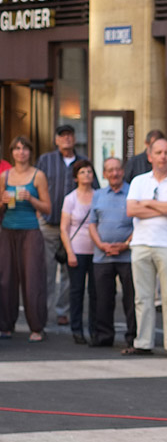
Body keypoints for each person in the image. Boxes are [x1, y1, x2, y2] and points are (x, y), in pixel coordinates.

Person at [125, 137, 167, 358]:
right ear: (150, 156)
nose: (163, 156)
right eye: (159, 152)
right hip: (141, 243)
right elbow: (131, 210)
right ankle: (143, 342)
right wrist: (165, 207)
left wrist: (148, 203)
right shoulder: (138, 181)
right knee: (142, 296)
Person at [0, 135, 51, 341]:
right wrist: (2, 201)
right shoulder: (4, 176)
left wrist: (32, 198)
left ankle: (37, 327)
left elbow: (48, 208)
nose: (21, 152)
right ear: (11, 153)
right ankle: (6, 325)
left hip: (30, 230)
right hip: (7, 231)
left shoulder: (38, 176)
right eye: (17, 148)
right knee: (6, 280)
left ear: (30, 152)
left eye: (25, 148)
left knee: (33, 279)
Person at [87, 157, 136, 348]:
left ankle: (133, 337)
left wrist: (125, 244)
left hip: (128, 254)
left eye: (117, 169)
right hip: (102, 255)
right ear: (105, 174)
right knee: (103, 298)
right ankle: (103, 336)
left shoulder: (133, 191)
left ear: (122, 171)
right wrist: (101, 245)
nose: (114, 173)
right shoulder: (98, 194)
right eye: (110, 170)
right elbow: (92, 224)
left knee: (131, 299)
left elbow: (139, 223)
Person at [36, 123, 80, 326]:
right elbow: (35, 185)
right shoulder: (46, 160)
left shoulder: (83, 162)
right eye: (63, 136)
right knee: (46, 268)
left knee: (67, 272)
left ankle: (63, 310)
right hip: (48, 223)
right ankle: (42, 309)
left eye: (70, 135)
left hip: (72, 228)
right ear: (56, 140)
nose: (67, 139)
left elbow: (93, 189)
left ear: (75, 138)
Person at [59, 159, 97, 344]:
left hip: (97, 251)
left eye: (89, 172)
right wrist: (70, 252)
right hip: (77, 250)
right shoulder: (70, 198)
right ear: (76, 177)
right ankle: (77, 329)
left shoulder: (99, 196)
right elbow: (64, 228)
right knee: (77, 291)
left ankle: (95, 329)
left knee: (96, 292)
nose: (86, 175)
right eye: (82, 172)